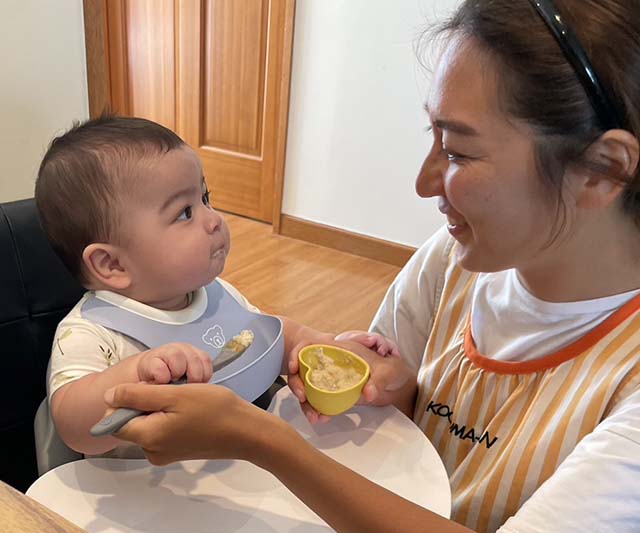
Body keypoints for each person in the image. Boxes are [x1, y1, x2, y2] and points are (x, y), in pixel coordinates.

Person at [99, 0, 640, 533]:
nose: (424, 182)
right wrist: (398, 388)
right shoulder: (456, 259)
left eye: (458, 152)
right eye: (432, 139)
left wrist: (259, 439)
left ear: (602, 170)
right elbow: (400, 415)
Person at [34, 115, 401, 462]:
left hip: (234, 471)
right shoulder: (90, 333)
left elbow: (263, 335)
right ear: (112, 264)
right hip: (144, 491)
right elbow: (72, 424)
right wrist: (136, 375)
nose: (213, 220)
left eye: (205, 198)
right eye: (184, 212)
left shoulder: (214, 294)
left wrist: (316, 347)